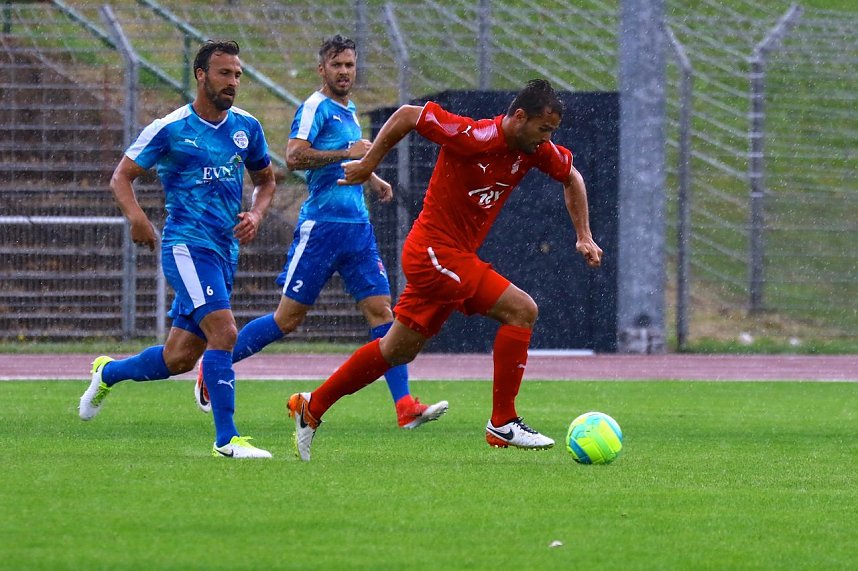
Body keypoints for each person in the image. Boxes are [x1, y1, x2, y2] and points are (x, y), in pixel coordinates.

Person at [286, 79, 603, 461]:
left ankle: (312, 405)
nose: (546, 138)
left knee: (396, 350)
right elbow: (406, 116)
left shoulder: (532, 149)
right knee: (522, 310)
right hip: (434, 253)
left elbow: (573, 177)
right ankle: (503, 423)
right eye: (543, 129)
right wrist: (369, 164)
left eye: (552, 131)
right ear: (519, 117)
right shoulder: (475, 135)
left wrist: (583, 235)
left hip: (446, 257)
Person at [193, 34, 448, 430]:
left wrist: (372, 177)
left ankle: (404, 406)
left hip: (357, 229)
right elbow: (295, 157)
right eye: (337, 65)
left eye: (349, 64)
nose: (344, 72)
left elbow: (350, 156)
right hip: (322, 229)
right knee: (288, 319)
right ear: (322, 69)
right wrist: (348, 153)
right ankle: (215, 366)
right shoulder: (315, 107)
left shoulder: (349, 109)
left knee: (384, 313)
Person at [78, 40, 277, 459]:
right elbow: (122, 176)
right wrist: (137, 218)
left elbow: (266, 180)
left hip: (225, 250)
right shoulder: (170, 128)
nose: (233, 82)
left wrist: (256, 215)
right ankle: (227, 440)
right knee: (224, 333)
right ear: (201, 75)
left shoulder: (247, 128)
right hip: (187, 246)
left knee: (179, 358)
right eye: (225, 73)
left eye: (238, 75)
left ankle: (108, 372)